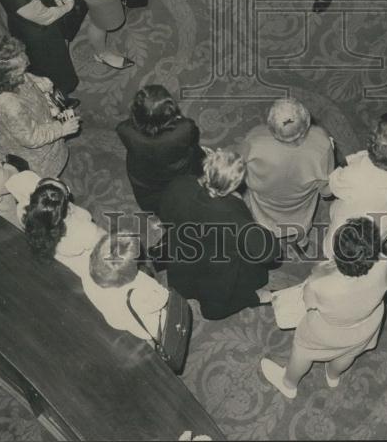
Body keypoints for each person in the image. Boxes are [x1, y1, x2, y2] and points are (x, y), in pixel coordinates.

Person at [260, 217, 387, 399]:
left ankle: (288, 383)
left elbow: (308, 302)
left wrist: (320, 272)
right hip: (367, 324)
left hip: (329, 331)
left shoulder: (321, 284)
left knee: (302, 350)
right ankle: (333, 374)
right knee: (348, 353)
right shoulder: (384, 263)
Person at [157, 148, 278, 320]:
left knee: (191, 281)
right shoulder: (235, 216)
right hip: (218, 265)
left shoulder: (179, 184)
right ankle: (254, 298)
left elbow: (165, 214)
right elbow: (268, 253)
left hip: (184, 250)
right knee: (215, 307)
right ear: (235, 185)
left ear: (206, 167)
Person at [0, 35, 80, 177]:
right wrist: (61, 129)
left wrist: (34, 79)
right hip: (30, 148)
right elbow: (31, 137)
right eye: (22, 70)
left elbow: (17, 74)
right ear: (10, 78)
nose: (28, 62)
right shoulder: (9, 106)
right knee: (45, 172)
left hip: (24, 116)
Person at [240, 98, 334, 243]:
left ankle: (267, 236)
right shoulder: (322, 142)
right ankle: (301, 239)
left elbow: (239, 165)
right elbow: (326, 190)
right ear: (307, 121)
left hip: (265, 203)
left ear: (271, 128)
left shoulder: (255, 138)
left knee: (260, 218)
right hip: (299, 207)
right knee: (301, 223)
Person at [325, 110, 387, 252]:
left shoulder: (356, 174)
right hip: (386, 211)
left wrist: (337, 163)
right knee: (377, 233)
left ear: (372, 145)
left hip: (356, 219)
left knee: (337, 245)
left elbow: (334, 185)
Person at [116, 85, 204, 214]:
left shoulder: (124, 130)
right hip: (179, 172)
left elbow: (128, 125)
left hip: (143, 176)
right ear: (169, 111)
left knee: (152, 199)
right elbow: (193, 138)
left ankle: (157, 211)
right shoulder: (185, 128)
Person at [6, 171, 103, 276]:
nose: (56, 178)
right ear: (66, 210)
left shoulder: (22, 210)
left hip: (55, 250)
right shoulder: (85, 230)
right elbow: (106, 241)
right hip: (77, 254)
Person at [84, 233, 170, 342]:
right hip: (159, 330)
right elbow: (164, 296)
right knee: (192, 312)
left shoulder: (88, 281)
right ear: (128, 272)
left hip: (129, 324)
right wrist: (145, 276)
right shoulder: (140, 285)